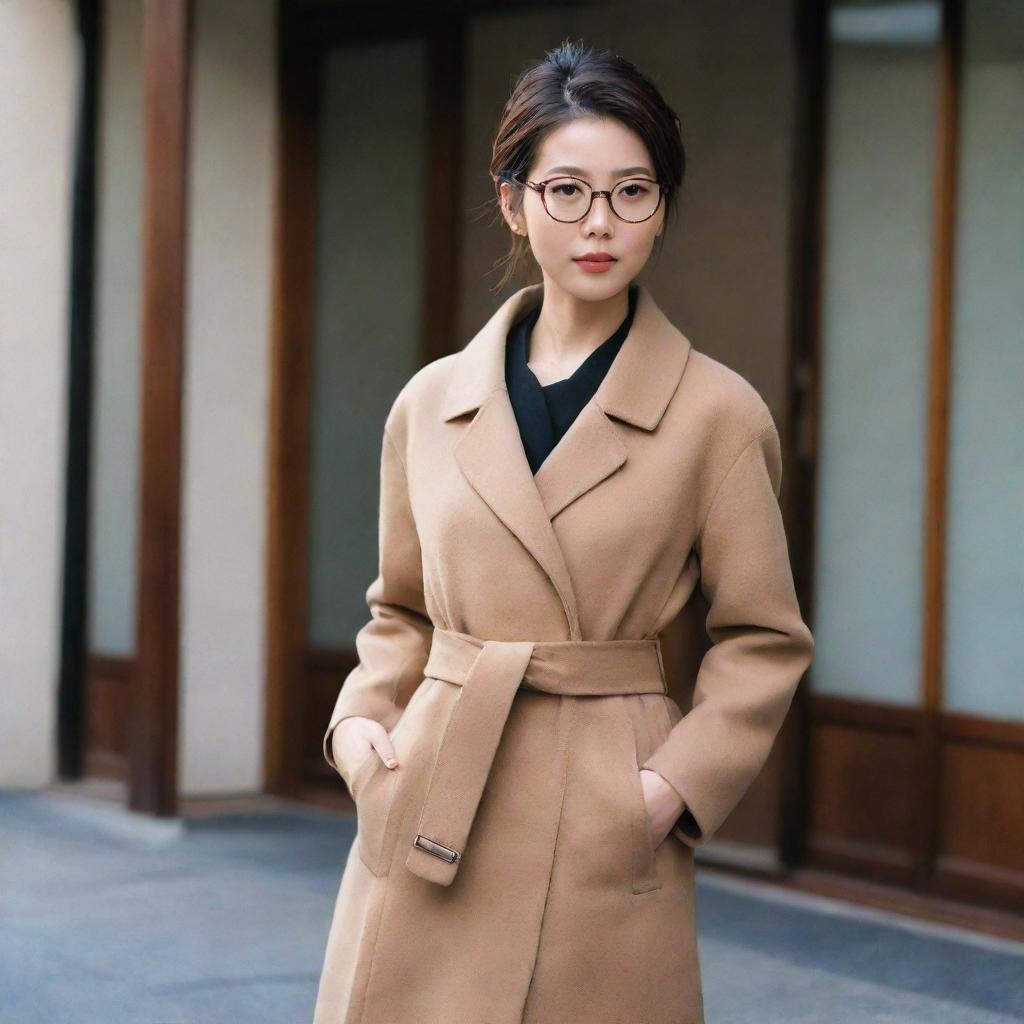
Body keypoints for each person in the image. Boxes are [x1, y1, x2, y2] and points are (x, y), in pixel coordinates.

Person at [313, 39, 814, 1024]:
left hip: (603, 808)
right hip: (430, 791)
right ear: (513, 201)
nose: (600, 223)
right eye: (567, 191)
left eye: (632, 192)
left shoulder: (716, 413)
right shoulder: (428, 404)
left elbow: (762, 640)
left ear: (661, 207)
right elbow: (399, 609)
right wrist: (361, 730)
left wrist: (667, 788)